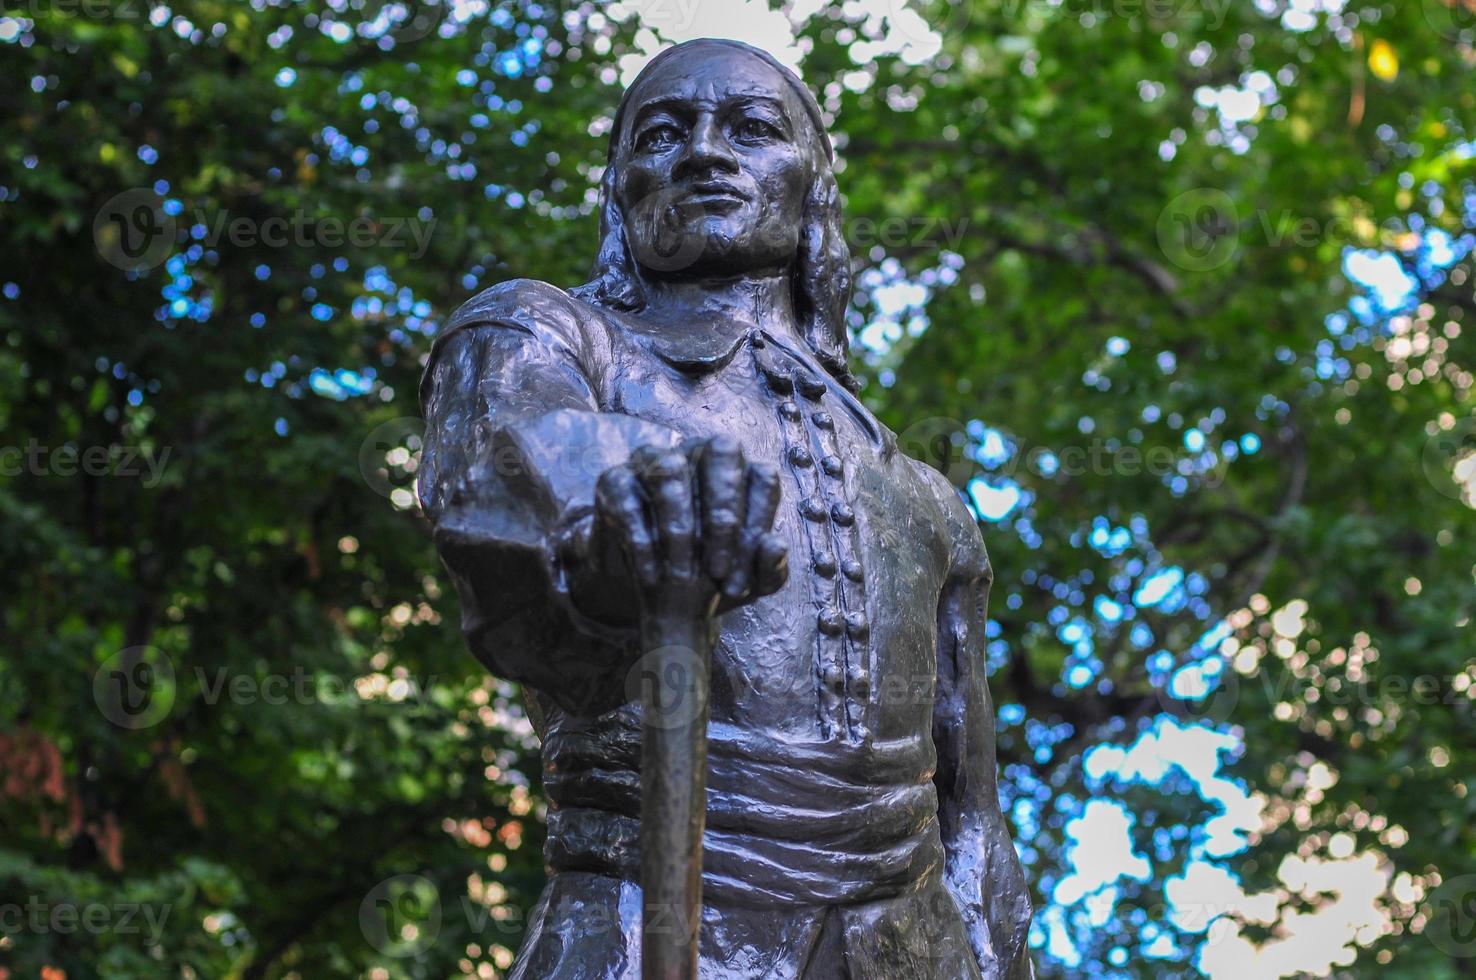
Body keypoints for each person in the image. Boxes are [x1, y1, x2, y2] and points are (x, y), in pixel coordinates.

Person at [418, 38, 1033, 979]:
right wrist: (629, 492)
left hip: (909, 943)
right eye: (662, 134)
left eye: (750, 129)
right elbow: (510, 458)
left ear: (811, 188)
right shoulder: (549, 336)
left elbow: (974, 817)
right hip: (640, 922)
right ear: (620, 190)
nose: (704, 151)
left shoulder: (928, 499)